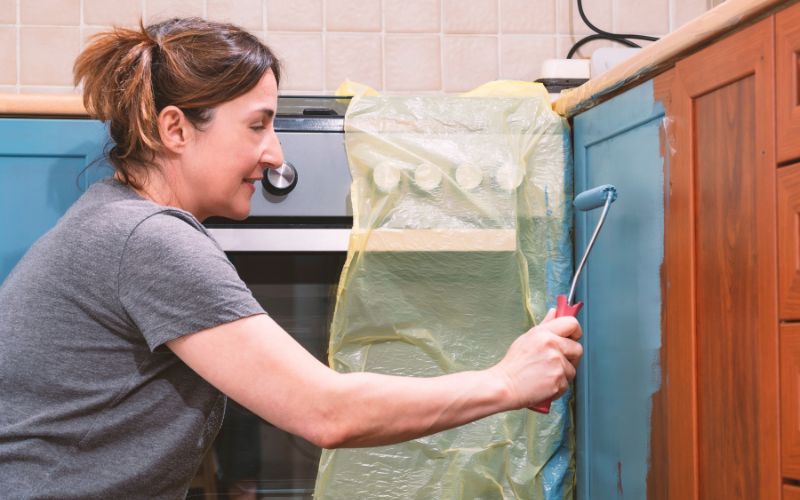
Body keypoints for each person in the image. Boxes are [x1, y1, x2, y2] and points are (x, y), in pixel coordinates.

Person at [0, 17, 583, 499]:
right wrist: (506, 381)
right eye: (257, 125)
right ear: (175, 130)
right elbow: (326, 413)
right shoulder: (148, 239)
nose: (274, 154)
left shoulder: (113, 220)